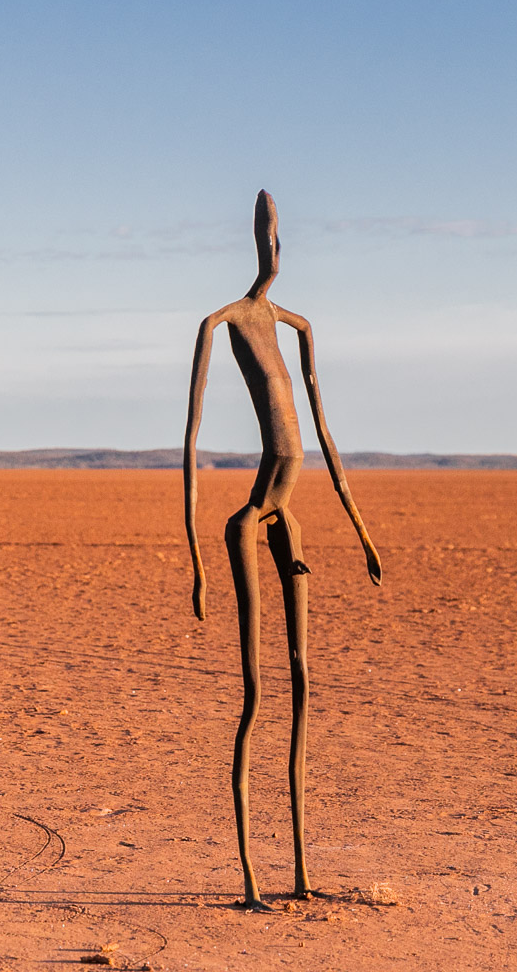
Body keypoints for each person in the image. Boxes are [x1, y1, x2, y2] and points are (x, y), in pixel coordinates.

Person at [184, 189, 383, 910]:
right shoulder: (222, 320)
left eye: (279, 235)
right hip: (249, 519)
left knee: (304, 682)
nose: (274, 246)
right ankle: (250, 880)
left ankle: (299, 872)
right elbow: (193, 438)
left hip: (291, 518)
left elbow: (324, 435)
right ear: (252, 239)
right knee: (257, 694)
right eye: (266, 233)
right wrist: (199, 563)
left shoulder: (297, 324)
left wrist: (361, 530)